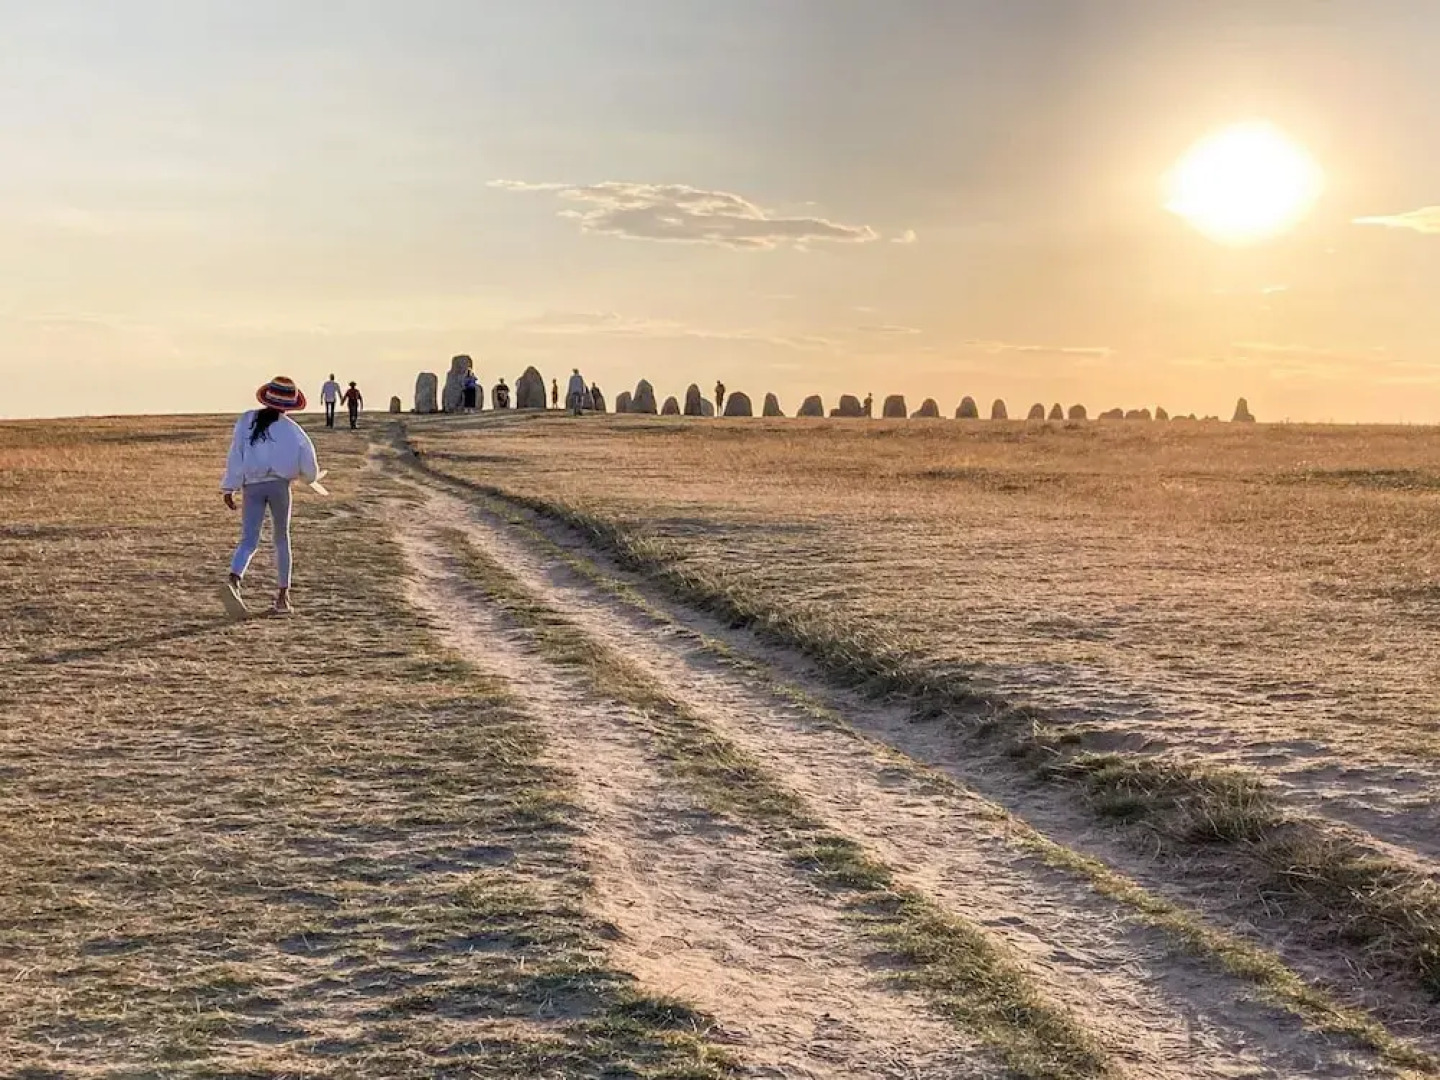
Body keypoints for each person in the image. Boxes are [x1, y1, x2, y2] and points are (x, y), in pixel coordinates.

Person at [220, 376, 320, 618]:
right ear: (290, 405)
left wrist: (229, 487)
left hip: (251, 486)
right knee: (281, 539)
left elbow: (236, 454)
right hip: (279, 487)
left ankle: (234, 579)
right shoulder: (294, 431)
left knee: (249, 540)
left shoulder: (246, 421)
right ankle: (283, 596)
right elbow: (310, 469)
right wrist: (307, 479)